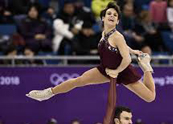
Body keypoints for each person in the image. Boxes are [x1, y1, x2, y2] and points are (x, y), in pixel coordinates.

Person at [26, 2, 156, 103]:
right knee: (79, 80)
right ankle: (48, 93)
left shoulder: (118, 36)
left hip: (122, 71)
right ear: (103, 18)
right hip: (105, 69)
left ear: (117, 21)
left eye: (115, 15)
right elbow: (120, 47)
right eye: (109, 13)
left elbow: (127, 59)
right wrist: (132, 49)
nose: (112, 16)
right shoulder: (104, 33)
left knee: (149, 97)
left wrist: (117, 71)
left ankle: (147, 67)